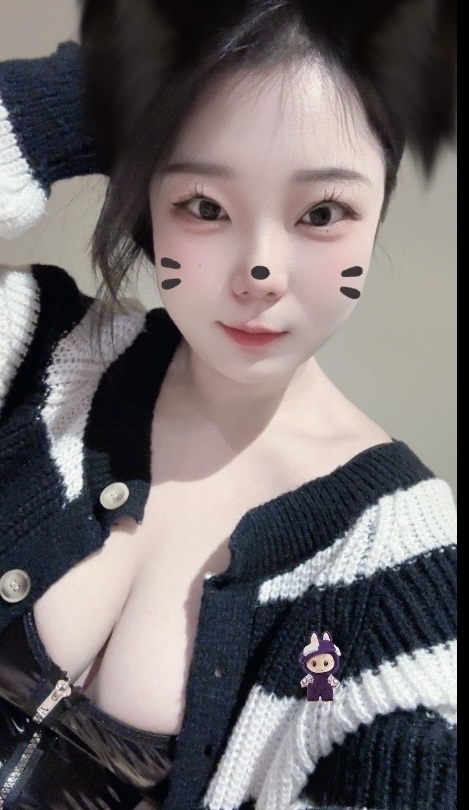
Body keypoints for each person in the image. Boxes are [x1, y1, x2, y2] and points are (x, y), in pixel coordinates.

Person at [0, 1, 457, 808]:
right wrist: (99, 95)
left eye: (322, 213)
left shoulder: (395, 556)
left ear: (377, 209)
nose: (260, 272)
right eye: (205, 206)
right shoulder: (40, 356)